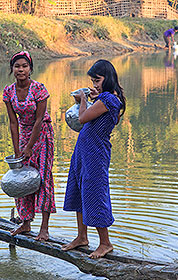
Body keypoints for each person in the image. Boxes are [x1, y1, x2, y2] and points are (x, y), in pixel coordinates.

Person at [62, 60, 126, 259]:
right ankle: (82, 237)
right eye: (93, 80)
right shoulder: (104, 97)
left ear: (108, 78)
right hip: (83, 151)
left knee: (95, 195)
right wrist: (92, 97)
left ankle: (105, 243)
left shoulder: (109, 100)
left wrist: (82, 99)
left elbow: (82, 118)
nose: (95, 84)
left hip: (95, 153)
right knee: (79, 191)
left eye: (97, 80)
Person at [3, 51, 56, 241]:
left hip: (42, 135)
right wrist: (18, 149)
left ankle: (44, 228)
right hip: (23, 135)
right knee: (20, 178)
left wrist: (30, 147)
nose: (21, 69)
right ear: (12, 69)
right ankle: (25, 223)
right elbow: (13, 122)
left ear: (30, 69)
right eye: (17, 66)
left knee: (42, 178)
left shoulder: (39, 89)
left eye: (24, 66)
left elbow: (39, 120)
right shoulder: (8, 92)